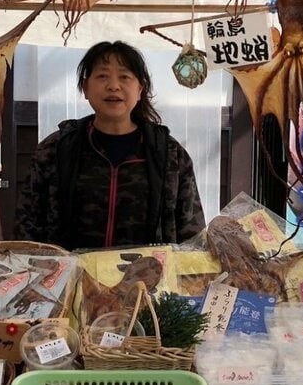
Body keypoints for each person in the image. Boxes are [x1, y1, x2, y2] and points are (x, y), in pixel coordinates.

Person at [15, 41, 205, 250]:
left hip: (148, 279)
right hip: (71, 279)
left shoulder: (170, 155)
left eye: (124, 77)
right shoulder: (55, 150)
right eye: (102, 76)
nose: (113, 86)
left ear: (140, 89)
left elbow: (192, 235)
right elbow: (27, 229)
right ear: (85, 88)